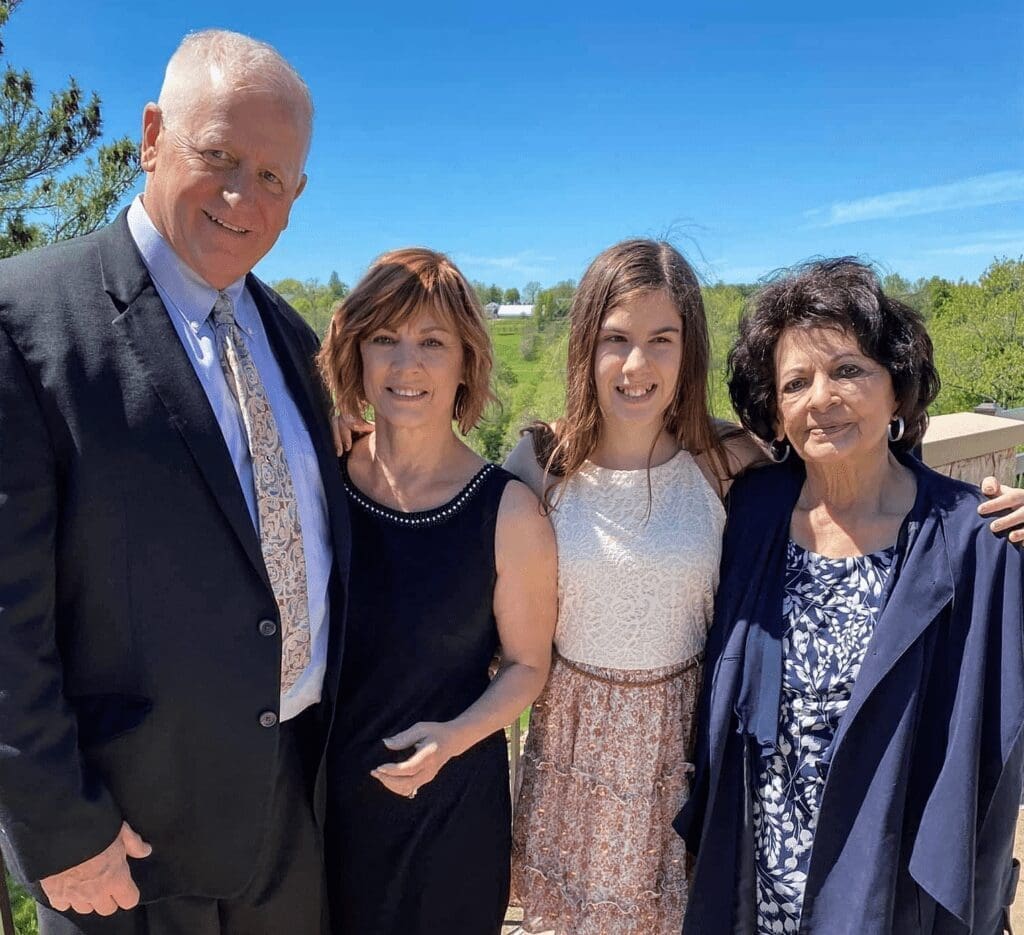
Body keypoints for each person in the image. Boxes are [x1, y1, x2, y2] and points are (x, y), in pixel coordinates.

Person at [0, 30, 348, 935]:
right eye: (219, 156)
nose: (244, 196)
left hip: (288, 822)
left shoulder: (298, 345)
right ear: (153, 133)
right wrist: (57, 827)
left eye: (273, 178)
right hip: (123, 848)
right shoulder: (26, 323)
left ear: (299, 195)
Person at [676, 258, 1024, 934]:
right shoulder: (752, 512)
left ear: (897, 390)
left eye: (848, 370)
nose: (821, 397)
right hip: (759, 873)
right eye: (796, 382)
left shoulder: (972, 538)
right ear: (775, 415)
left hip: (889, 889)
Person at [502, 239, 760, 934]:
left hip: (679, 755)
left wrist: (973, 515)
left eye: (661, 340)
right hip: (572, 755)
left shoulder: (728, 460)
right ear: (586, 343)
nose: (636, 365)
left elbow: (843, 507)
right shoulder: (541, 462)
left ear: (690, 348)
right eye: (615, 339)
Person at [316, 248, 557, 935]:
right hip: (322, 807)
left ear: (464, 364)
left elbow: (528, 665)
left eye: (431, 342)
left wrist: (453, 739)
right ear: (357, 355)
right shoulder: (319, 478)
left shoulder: (507, 513)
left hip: (448, 811)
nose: (405, 364)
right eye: (384, 339)